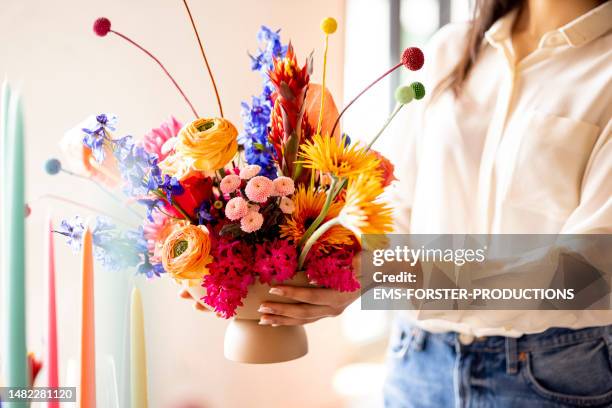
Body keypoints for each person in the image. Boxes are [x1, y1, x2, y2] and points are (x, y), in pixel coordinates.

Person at [185, 0, 612, 406]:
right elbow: (395, 203)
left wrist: (387, 273)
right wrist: (285, 266)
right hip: (418, 361)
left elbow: (589, 274)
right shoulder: (452, 48)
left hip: (555, 376)